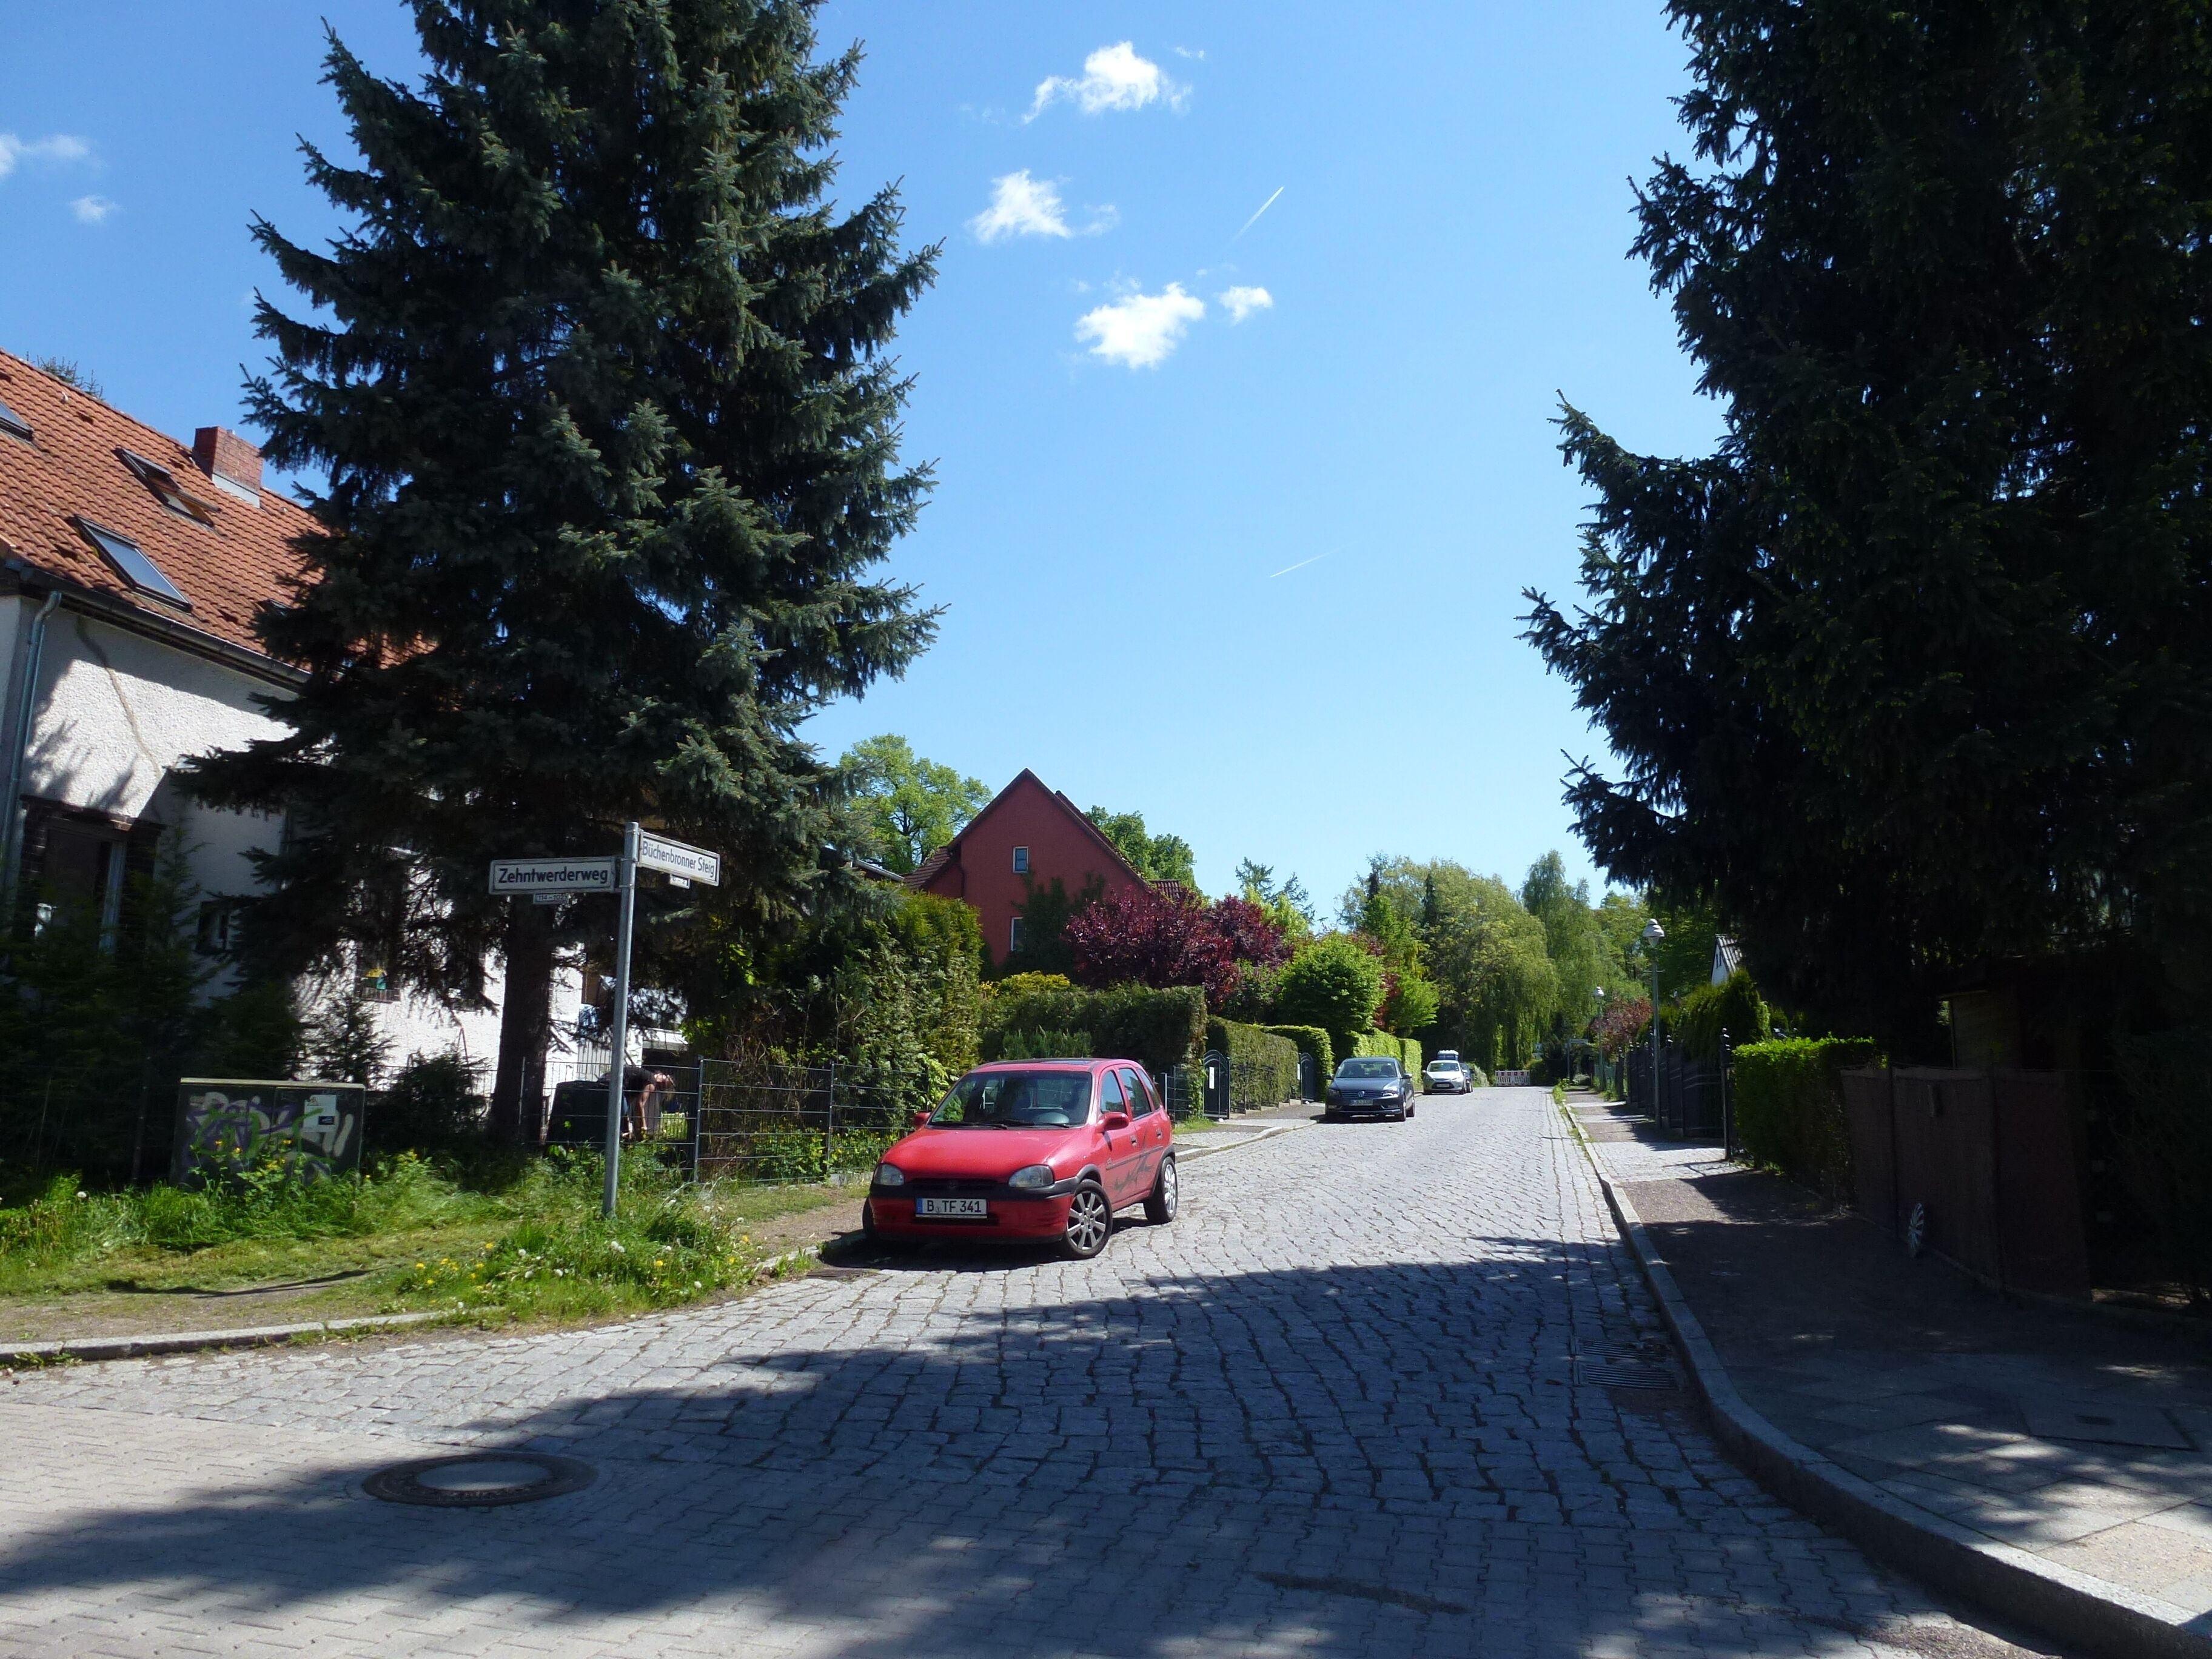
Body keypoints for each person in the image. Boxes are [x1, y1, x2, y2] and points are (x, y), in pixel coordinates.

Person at [622, 1067, 676, 1143]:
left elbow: (629, 1106)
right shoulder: (651, 1082)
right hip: (614, 1086)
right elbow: (640, 1104)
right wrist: (643, 1126)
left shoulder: (640, 1082)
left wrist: (628, 1126)